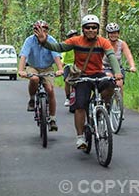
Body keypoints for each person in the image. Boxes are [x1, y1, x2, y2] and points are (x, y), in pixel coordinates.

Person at [34, 14, 124, 150]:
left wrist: (117, 74)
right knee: (80, 106)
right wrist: (43, 41)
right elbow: (59, 47)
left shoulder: (103, 42)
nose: (91, 30)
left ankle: (101, 106)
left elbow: (111, 57)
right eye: (88, 27)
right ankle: (81, 137)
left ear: (98, 29)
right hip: (82, 76)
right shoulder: (76, 41)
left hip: (97, 74)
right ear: (83, 29)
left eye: (94, 27)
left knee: (111, 84)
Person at [18, 20, 65, 132]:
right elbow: (23, 56)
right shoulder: (29, 40)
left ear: (47, 31)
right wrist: (21, 70)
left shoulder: (51, 40)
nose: (41, 33)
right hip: (33, 66)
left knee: (50, 89)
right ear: (34, 31)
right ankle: (32, 99)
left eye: (44, 30)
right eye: (38, 30)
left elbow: (56, 57)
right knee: (34, 79)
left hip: (47, 67)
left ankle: (52, 119)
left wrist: (60, 69)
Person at [103, 23, 137, 107]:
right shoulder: (104, 43)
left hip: (118, 68)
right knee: (109, 82)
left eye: (115, 33)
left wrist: (132, 66)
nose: (113, 35)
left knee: (119, 83)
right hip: (105, 68)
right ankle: (105, 101)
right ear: (108, 34)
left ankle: (119, 105)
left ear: (118, 33)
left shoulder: (122, 44)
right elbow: (97, 56)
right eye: (111, 33)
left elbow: (128, 55)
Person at [61, 29, 79, 107]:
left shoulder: (81, 45)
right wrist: (60, 67)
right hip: (68, 65)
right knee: (67, 81)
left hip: (78, 65)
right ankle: (68, 98)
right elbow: (63, 58)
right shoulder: (66, 46)